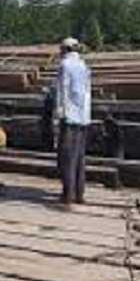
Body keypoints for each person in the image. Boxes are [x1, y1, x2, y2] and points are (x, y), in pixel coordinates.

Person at [56, 37, 91, 208]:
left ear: (66, 49)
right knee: (79, 157)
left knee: (67, 156)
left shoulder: (65, 65)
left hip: (69, 117)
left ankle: (68, 194)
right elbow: (87, 94)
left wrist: (59, 114)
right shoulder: (84, 66)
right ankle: (79, 193)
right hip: (83, 118)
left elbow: (62, 90)